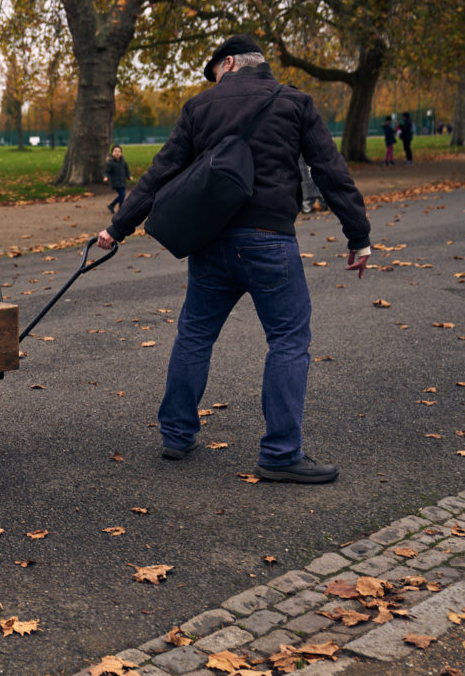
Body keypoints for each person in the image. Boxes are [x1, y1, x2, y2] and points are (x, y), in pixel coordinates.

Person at [96, 34, 371, 484]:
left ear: (228, 64)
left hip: (210, 243)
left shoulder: (200, 108)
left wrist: (117, 227)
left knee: (195, 335)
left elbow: (160, 172)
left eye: (216, 72)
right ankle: (281, 453)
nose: (215, 81)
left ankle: (177, 434)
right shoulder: (295, 103)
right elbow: (330, 171)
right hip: (269, 240)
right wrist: (358, 236)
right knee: (287, 340)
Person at [102, 145, 130, 213]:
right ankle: (121, 209)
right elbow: (106, 171)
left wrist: (129, 176)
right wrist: (105, 177)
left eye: (119, 151)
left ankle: (112, 205)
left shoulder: (124, 162)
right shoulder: (110, 163)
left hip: (122, 181)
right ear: (112, 153)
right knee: (122, 195)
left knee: (122, 195)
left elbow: (127, 171)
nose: (117, 153)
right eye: (115, 151)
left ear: (121, 153)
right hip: (115, 182)